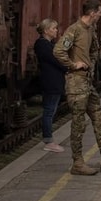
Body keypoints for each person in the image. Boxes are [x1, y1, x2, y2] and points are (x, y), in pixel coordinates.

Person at [53, 0, 101, 176]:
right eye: (99, 13)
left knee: (99, 119)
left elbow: (94, 50)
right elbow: (58, 51)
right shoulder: (74, 30)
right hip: (76, 83)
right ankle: (77, 163)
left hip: (87, 82)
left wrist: (91, 63)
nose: (100, 16)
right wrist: (73, 64)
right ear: (92, 13)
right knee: (78, 124)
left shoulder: (90, 30)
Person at [34, 18, 68, 153]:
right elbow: (57, 60)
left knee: (51, 111)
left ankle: (49, 139)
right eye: (53, 28)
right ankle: (48, 141)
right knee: (49, 111)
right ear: (46, 30)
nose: (56, 31)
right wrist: (69, 66)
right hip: (51, 82)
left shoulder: (49, 44)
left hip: (54, 82)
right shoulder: (43, 45)